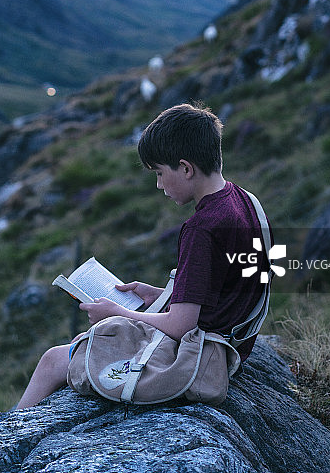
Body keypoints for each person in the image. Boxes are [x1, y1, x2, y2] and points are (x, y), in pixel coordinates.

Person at [16, 102, 270, 409]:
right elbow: (230, 284)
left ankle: (3, 439)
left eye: (160, 173)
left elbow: (181, 327)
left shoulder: (202, 228)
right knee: (84, 343)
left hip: (197, 352)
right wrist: (161, 294)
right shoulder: (242, 200)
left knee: (54, 359)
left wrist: (117, 313)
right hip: (233, 340)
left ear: (186, 168)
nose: (159, 185)